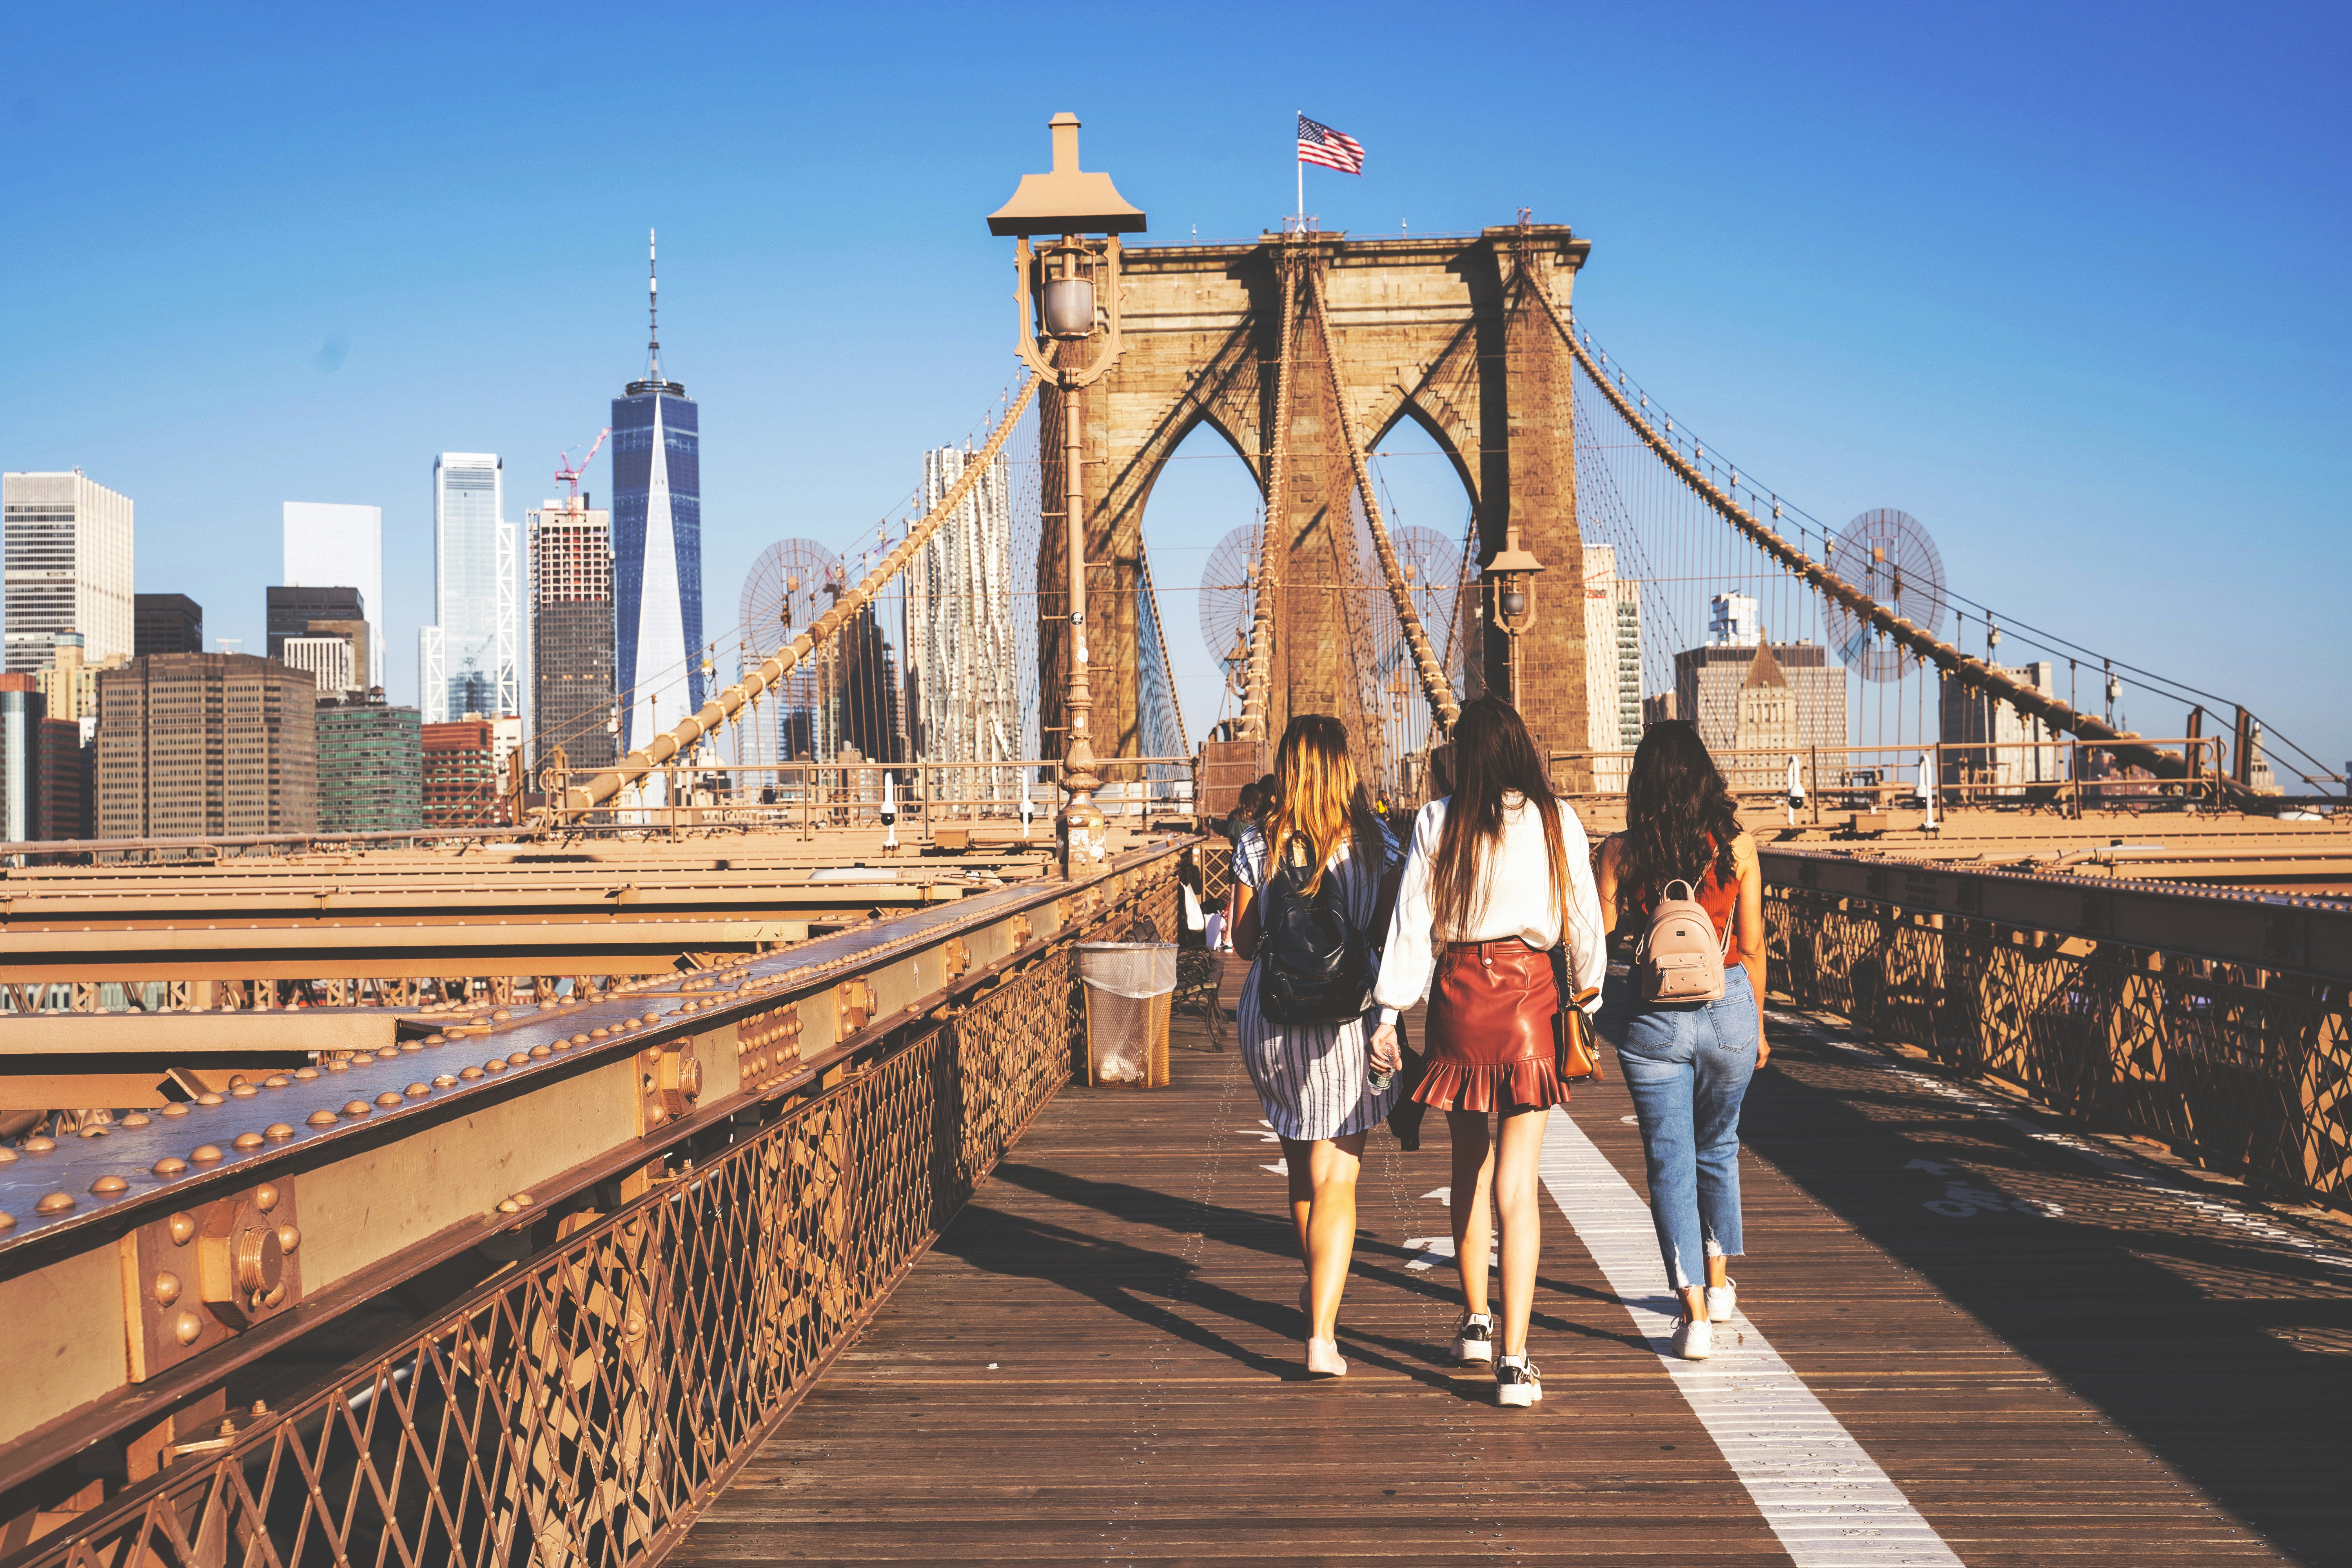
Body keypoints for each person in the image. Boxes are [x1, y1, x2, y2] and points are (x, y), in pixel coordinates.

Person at [1370, 696, 1606, 1408]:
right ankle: (1514, 1360)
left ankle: (1475, 1321)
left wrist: (1389, 1013)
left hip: (1458, 1001)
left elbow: (1413, 924)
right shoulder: (1559, 820)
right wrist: (1587, 1002)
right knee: (1519, 1184)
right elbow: (1583, 921)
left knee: (1468, 1166)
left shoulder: (1436, 820)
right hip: (1532, 1006)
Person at [1593, 720, 1770, 1362]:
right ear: (1704, 778)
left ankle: (1692, 1312)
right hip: (1727, 1009)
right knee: (1719, 1145)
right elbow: (1750, 946)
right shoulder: (1737, 846)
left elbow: (1600, 942)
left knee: (1671, 1162)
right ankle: (1721, 1286)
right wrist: (1759, 1028)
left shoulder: (1620, 852)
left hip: (1653, 1017)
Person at [1230, 715, 1399, 1377]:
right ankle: (1323, 1336)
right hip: (1343, 1023)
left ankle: (1316, 1296)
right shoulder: (1376, 843)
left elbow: (1243, 944)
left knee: (1304, 1168)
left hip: (1271, 1024)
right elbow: (1385, 934)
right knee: (1341, 1176)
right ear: (1342, 768)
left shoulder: (1257, 841)